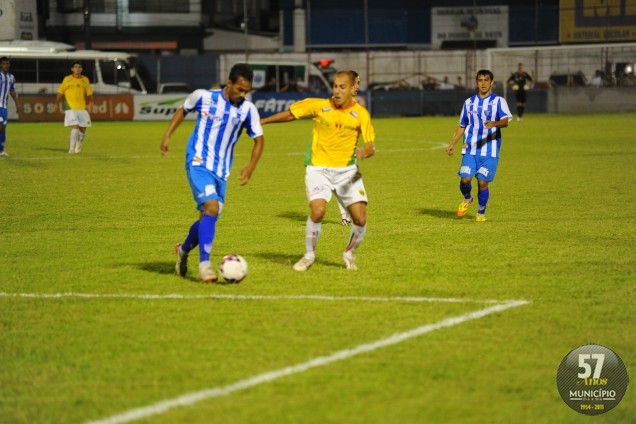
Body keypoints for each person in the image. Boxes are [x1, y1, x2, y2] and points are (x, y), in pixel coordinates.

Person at [261, 70, 375, 271]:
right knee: (318, 210)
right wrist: (264, 121)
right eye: (335, 86)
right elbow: (291, 114)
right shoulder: (319, 105)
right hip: (319, 169)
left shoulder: (361, 114)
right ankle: (309, 255)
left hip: (347, 172)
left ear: (351, 89)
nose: (337, 91)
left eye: (342, 87)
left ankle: (349, 252)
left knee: (360, 219)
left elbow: (370, 144)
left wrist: (366, 152)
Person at [161, 63, 265, 282]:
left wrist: (251, 166)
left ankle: (183, 251)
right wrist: (168, 135)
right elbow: (183, 110)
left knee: (207, 219)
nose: (243, 94)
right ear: (229, 83)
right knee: (212, 206)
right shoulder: (203, 97)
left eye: (246, 91)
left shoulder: (247, 109)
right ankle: (205, 265)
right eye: (240, 89)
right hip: (198, 162)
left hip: (222, 172)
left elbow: (259, 140)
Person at [445, 69, 512, 222]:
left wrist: (494, 123)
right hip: (470, 148)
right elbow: (462, 125)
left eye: (486, 80)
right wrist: (452, 144)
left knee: (482, 182)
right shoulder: (469, 103)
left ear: (491, 82)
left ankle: (481, 213)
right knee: (465, 179)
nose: (483, 83)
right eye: (480, 80)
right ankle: (468, 198)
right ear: (477, 82)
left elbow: (506, 121)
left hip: (490, 150)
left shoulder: (499, 101)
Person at [53, 61, 94, 153]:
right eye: (75, 67)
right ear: (72, 69)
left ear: (81, 69)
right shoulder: (67, 79)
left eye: (79, 67)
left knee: (83, 129)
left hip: (82, 107)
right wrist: (56, 103)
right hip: (70, 107)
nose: (77, 68)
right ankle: (71, 148)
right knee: (75, 126)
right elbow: (60, 92)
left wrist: (91, 103)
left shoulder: (85, 80)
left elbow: (89, 93)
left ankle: (79, 143)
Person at [0, 57, 20, 157]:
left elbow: (12, 91)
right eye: (4, 63)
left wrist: (17, 103)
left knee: (3, 127)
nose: (6, 65)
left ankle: (1, 150)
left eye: (8, 63)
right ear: (0, 65)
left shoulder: (11, 77)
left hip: (3, 107)